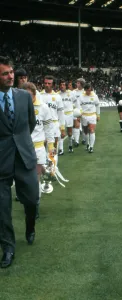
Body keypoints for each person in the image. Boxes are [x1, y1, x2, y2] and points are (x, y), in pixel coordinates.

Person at [0, 56, 39, 268]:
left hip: (24, 156)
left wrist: (20, 142)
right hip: (1, 161)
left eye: (11, 72)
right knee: (2, 208)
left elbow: (30, 124)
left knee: (32, 199)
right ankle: (8, 248)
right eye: (5, 73)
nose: (10, 76)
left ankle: (30, 226)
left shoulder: (24, 96)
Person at [21, 82, 55, 219]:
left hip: (38, 147)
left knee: (35, 179)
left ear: (35, 94)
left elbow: (48, 129)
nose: (27, 99)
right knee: (23, 180)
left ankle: (35, 205)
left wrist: (51, 147)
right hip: (22, 148)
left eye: (29, 95)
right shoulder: (19, 107)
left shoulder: (44, 108)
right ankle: (27, 203)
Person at [78, 83, 100, 153]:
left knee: (92, 130)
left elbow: (97, 105)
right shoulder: (81, 97)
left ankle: (91, 147)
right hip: (84, 116)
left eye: (90, 90)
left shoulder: (95, 96)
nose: (89, 91)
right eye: (87, 90)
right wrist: (79, 115)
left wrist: (98, 115)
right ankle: (87, 144)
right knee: (85, 131)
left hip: (92, 115)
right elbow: (78, 106)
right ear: (85, 90)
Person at [58, 79, 76, 154]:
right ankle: (61, 149)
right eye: (61, 85)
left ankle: (70, 145)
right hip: (61, 114)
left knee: (69, 132)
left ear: (66, 86)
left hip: (69, 114)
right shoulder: (57, 94)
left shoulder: (71, 93)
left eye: (63, 85)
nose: (62, 86)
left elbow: (76, 102)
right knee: (61, 132)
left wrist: (77, 111)